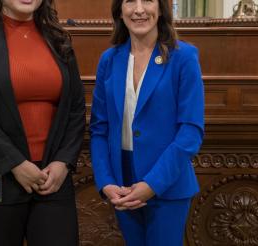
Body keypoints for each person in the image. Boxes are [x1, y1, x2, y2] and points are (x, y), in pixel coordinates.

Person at [0, 0, 85, 245]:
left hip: (51, 179)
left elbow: (75, 108)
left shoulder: (57, 38)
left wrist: (63, 161)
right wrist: (15, 163)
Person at [90, 0, 204, 245]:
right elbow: (99, 129)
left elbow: (190, 131)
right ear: (119, 10)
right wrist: (106, 181)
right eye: (130, 1)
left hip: (167, 183)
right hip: (122, 184)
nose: (139, 9)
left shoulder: (183, 57)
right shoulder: (109, 60)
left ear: (161, 8)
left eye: (148, 1)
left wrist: (153, 183)